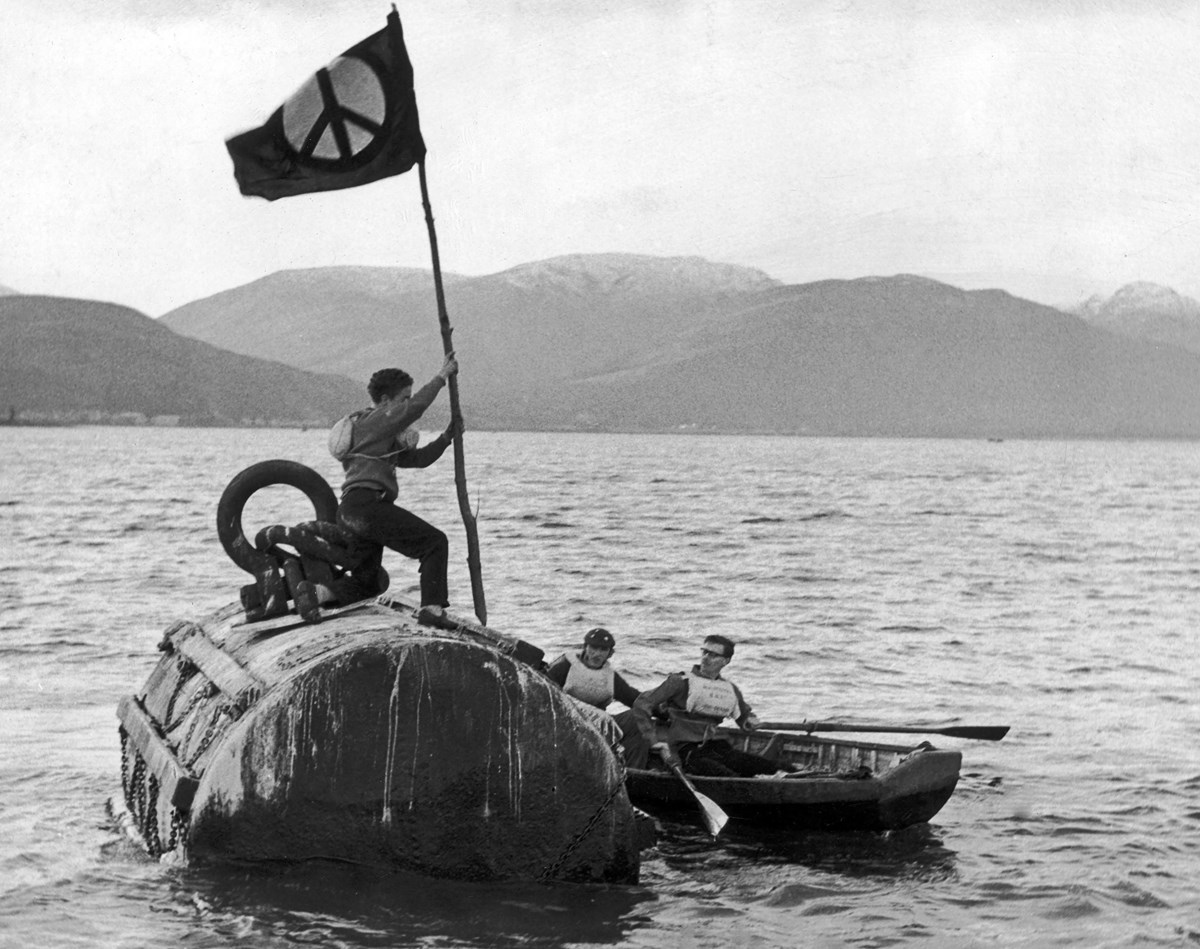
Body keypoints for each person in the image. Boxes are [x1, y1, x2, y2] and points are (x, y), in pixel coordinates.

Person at [332, 353, 459, 617]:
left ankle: (318, 594)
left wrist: (446, 438)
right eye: (404, 398)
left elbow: (417, 459)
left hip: (350, 510)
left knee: (365, 584)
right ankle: (432, 609)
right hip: (368, 506)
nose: (408, 404)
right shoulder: (375, 420)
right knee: (434, 542)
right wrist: (442, 376)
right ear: (385, 401)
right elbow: (415, 409)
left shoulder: (376, 435)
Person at [632, 634, 789, 777]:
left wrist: (751, 721)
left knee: (771, 767)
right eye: (704, 652)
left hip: (715, 747)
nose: (706, 658)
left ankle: (791, 776)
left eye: (713, 655)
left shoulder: (729, 689)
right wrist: (653, 742)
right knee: (729, 777)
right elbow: (642, 704)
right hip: (683, 750)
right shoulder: (679, 682)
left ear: (725, 661)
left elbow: (744, 719)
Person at [545, 627, 650, 769]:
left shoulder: (610, 677)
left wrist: (662, 709)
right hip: (565, 724)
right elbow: (544, 692)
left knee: (636, 716)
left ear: (610, 654)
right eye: (593, 648)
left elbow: (634, 699)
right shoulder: (565, 666)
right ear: (584, 647)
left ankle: (633, 773)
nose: (597, 654)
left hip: (597, 726)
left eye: (603, 650)